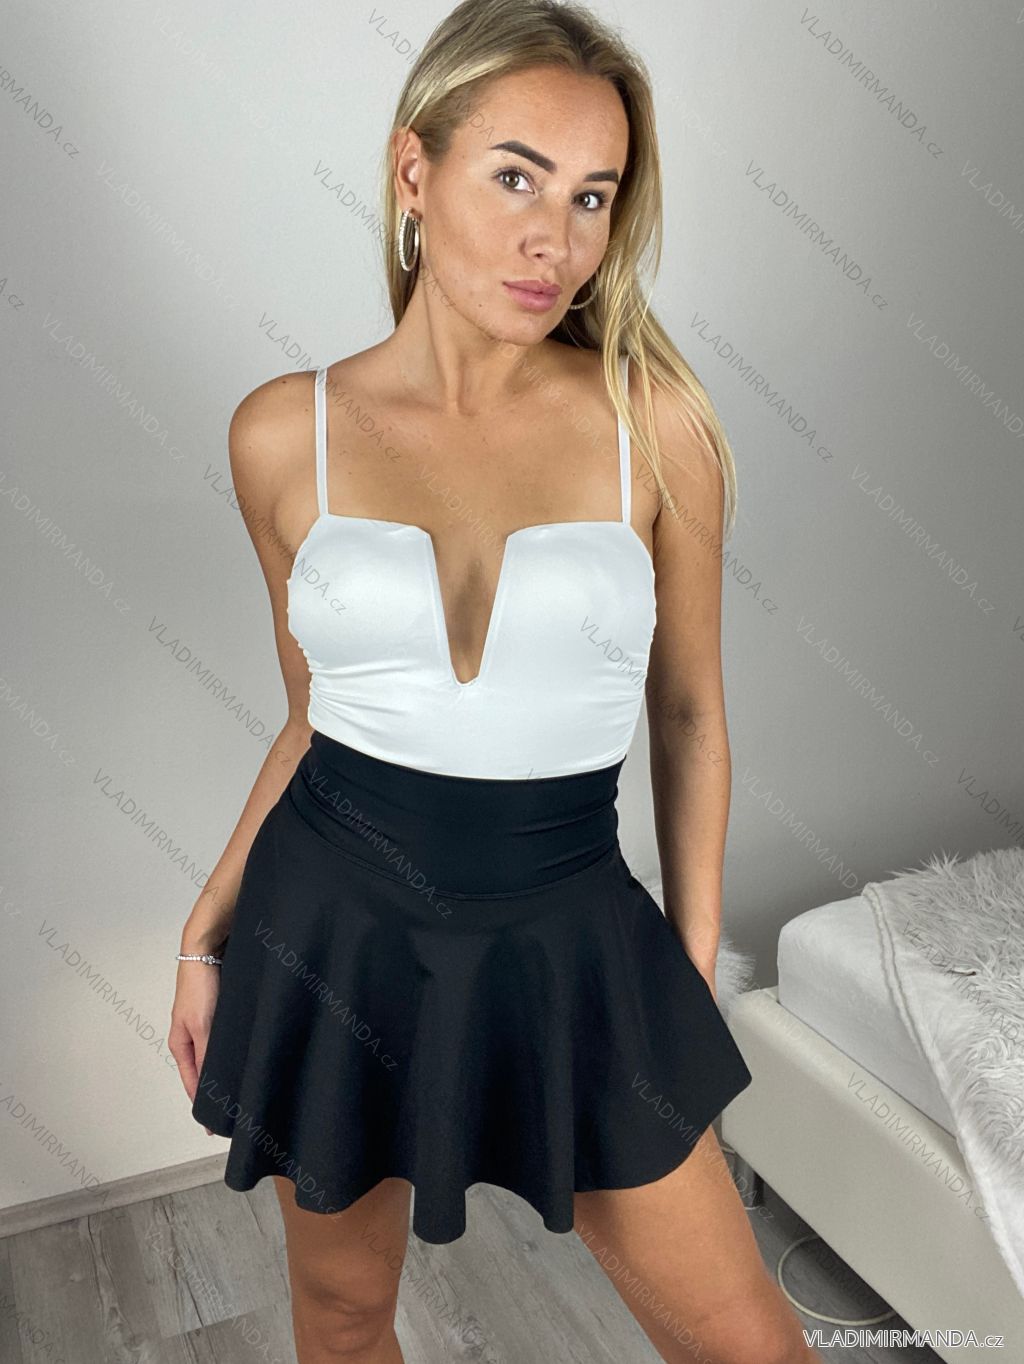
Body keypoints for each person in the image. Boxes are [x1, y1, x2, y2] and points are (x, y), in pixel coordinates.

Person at [169, 2, 821, 1361]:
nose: (556, 240)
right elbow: (310, 718)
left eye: (592, 197)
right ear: (414, 171)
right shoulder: (282, 433)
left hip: (572, 930)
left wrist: (686, 962)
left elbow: (690, 714)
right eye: (516, 177)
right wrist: (203, 931)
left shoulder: (658, 425)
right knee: (342, 1314)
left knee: (746, 1343)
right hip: (328, 926)